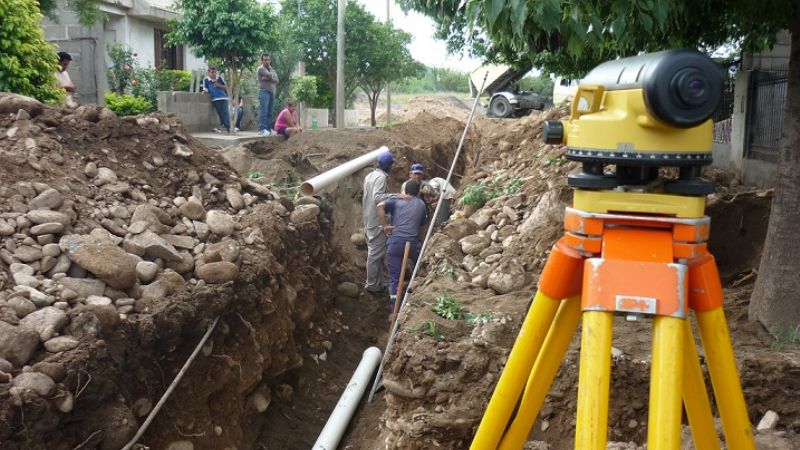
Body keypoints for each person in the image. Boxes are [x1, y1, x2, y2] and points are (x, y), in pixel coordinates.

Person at [376, 180, 429, 315]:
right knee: (422, 268)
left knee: (394, 279)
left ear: (405, 191)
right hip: (412, 244)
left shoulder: (396, 202)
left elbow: (380, 205)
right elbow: (423, 227)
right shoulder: (421, 204)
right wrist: (419, 242)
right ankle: (416, 293)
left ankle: (395, 308)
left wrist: (385, 226)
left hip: (394, 244)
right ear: (418, 192)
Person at [362, 151, 397, 295]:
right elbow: (377, 198)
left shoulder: (370, 175)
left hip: (369, 218)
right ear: (389, 166)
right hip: (376, 220)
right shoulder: (381, 177)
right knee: (375, 254)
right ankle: (371, 285)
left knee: (376, 253)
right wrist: (397, 196)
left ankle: (378, 284)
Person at [203, 67, 230, 133]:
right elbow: (205, 88)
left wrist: (218, 84)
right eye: (212, 72)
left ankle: (228, 126)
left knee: (225, 112)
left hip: (223, 97)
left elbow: (225, 87)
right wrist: (204, 91)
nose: (214, 74)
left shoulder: (219, 78)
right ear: (209, 72)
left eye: (215, 72)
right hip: (215, 98)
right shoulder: (206, 79)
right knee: (220, 113)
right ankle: (224, 126)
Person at [257, 53, 279, 136]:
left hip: (271, 93)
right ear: (262, 61)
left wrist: (269, 78)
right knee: (264, 111)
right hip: (264, 92)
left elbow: (277, 80)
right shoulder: (261, 69)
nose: (267, 61)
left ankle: (268, 129)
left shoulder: (271, 69)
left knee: (270, 112)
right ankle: (262, 129)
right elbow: (270, 76)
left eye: (268, 60)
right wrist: (271, 77)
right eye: (265, 60)